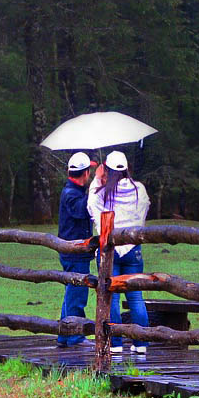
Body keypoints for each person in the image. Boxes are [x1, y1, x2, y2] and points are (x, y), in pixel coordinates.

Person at [87, 150, 150, 354]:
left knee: (111, 296)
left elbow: (92, 208)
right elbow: (144, 208)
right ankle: (141, 344)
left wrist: (97, 179)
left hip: (110, 250)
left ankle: (114, 344)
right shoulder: (138, 188)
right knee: (136, 296)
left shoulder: (103, 190)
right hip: (133, 247)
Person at [55, 151, 96, 348]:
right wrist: (95, 190)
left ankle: (64, 334)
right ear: (86, 173)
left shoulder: (72, 192)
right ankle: (75, 336)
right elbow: (81, 210)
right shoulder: (72, 194)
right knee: (77, 295)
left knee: (71, 292)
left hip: (73, 251)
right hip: (75, 251)